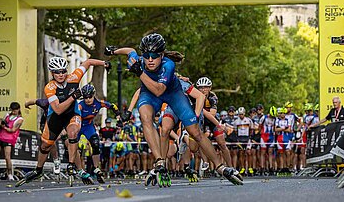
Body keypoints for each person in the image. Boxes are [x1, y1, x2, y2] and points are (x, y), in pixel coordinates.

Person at [105, 33, 243, 187]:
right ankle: (160, 162)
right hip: (149, 95)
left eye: (154, 56)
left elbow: (159, 90)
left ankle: (221, 167)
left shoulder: (168, 65)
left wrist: (140, 73)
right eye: (146, 55)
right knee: (147, 118)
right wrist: (113, 51)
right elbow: (129, 50)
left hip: (172, 94)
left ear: (162, 55)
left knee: (196, 132)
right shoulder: (138, 60)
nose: (150, 60)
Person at [17, 57, 109, 186]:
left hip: (72, 114)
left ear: (66, 71)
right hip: (56, 116)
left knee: (72, 134)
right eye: (57, 72)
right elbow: (58, 109)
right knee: (45, 145)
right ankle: (38, 170)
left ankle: (75, 167)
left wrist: (105, 63)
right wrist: (73, 97)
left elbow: (88, 63)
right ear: (52, 73)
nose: (60, 75)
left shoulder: (74, 77)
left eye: (63, 71)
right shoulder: (50, 87)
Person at [76, 83, 121, 183]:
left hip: (88, 127)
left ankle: (96, 168)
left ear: (94, 95)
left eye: (90, 97)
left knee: (96, 143)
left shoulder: (99, 103)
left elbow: (113, 106)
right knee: (75, 148)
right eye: (85, 97)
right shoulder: (80, 105)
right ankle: (80, 170)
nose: (88, 99)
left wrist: (118, 117)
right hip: (78, 127)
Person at [25, 98, 61, 175]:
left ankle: (57, 160)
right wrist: (26, 104)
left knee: (56, 140)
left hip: (61, 122)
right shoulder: (45, 103)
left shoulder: (64, 104)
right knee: (48, 142)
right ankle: (53, 161)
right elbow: (33, 101)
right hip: (46, 121)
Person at [0, 102, 24, 181]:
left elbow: (13, 130)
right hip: (0, 137)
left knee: (7, 157)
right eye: (12, 110)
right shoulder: (7, 115)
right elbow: (0, 122)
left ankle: (9, 174)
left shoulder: (20, 119)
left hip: (9, 138)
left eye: (15, 110)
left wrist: (4, 127)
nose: (13, 112)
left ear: (18, 110)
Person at [233, 107, 253, 175]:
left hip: (247, 138)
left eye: (242, 114)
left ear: (244, 113)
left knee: (249, 153)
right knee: (241, 153)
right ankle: (242, 168)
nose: (241, 115)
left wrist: (249, 137)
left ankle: (250, 168)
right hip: (240, 139)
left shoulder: (249, 120)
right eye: (240, 114)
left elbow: (251, 129)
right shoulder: (236, 121)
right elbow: (235, 131)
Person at [259, 106, 277, 176]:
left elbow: (275, 127)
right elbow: (259, 126)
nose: (272, 117)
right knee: (262, 153)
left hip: (271, 137)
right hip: (264, 136)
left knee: (270, 152)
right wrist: (261, 133)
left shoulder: (275, 119)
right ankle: (262, 168)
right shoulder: (264, 117)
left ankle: (271, 168)